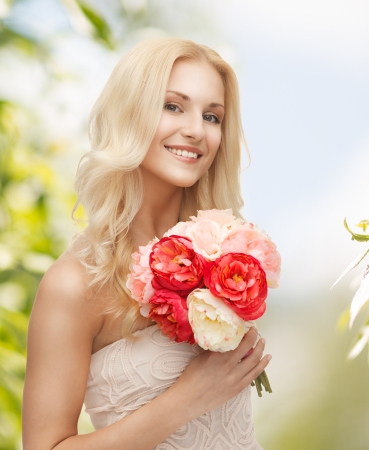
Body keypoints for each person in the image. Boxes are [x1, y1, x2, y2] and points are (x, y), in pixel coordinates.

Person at [22, 38, 271, 450]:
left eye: (212, 116)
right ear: (130, 112)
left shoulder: (225, 256)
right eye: (173, 106)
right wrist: (185, 400)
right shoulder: (75, 283)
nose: (195, 130)